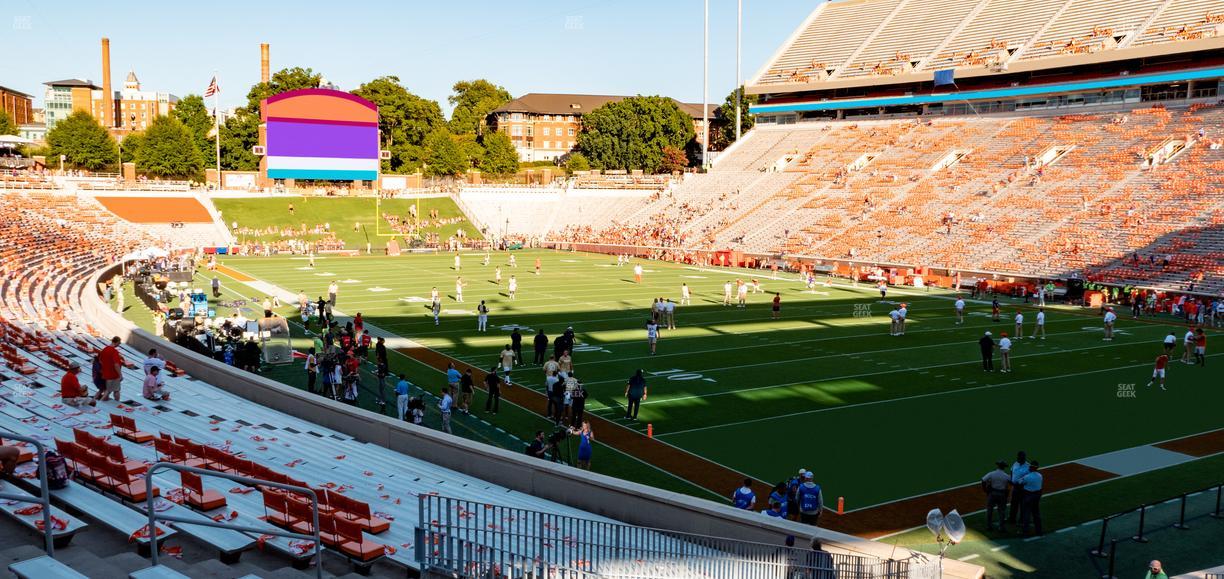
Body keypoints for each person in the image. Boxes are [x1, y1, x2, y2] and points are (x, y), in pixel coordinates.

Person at [981, 461, 1010, 531]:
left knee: (989, 510)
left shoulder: (992, 473)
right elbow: (1012, 482)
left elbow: (983, 480)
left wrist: (985, 489)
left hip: (992, 494)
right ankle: (1001, 527)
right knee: (1001, 511)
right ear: (1004, 467)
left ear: (998, 466)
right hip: (1002, 495)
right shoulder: (1006, 476)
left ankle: (989, 526)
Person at [96, 336, 125, 402]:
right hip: (114, 374)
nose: (119, 344)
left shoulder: (104, 349)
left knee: (108, 390)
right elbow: (116, 364)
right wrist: (120, 375)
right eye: (119, 343)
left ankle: (102, 402)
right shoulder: (114, 351)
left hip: (106, 374)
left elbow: (100, 361)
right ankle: (116, 403)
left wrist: (107, 367)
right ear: (116, 342)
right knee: (116, 390)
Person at [1018, 461, 1043, 536]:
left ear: (1031, 467)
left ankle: (1025, 532)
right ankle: (1039, 531)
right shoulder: (1040, 476)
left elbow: (1019, 482)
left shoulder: (1027, 477)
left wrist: (1023, 477)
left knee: (1027, 513)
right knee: (1036, 513)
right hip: (1037, 495)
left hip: (1028, 495)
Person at [1008, 451, 1029, 524]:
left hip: (1023, 489)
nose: (1018, 458)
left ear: (1023, 458)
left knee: (1023, 505)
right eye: (1018, 457)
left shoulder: (1028, 466)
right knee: (1014, 504)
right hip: (1015, 488)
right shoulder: (1015, 463)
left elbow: (1028, 478)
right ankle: (1012, 519)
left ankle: (1022, 520)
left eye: (1019, 457)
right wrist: (1011, 480)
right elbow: (1011, 471)